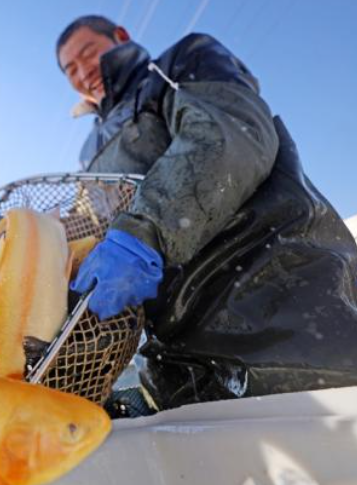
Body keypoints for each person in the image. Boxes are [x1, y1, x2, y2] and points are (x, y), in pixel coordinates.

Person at [58, 16, 357, 410]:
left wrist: (142, 231)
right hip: (175, 353)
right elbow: (91, 225)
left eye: (87, 54)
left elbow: (226, 135)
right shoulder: (90, 152)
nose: (83, 72)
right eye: (71, 70)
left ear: (121, 37)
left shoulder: (180, 61)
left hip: (276, 294)